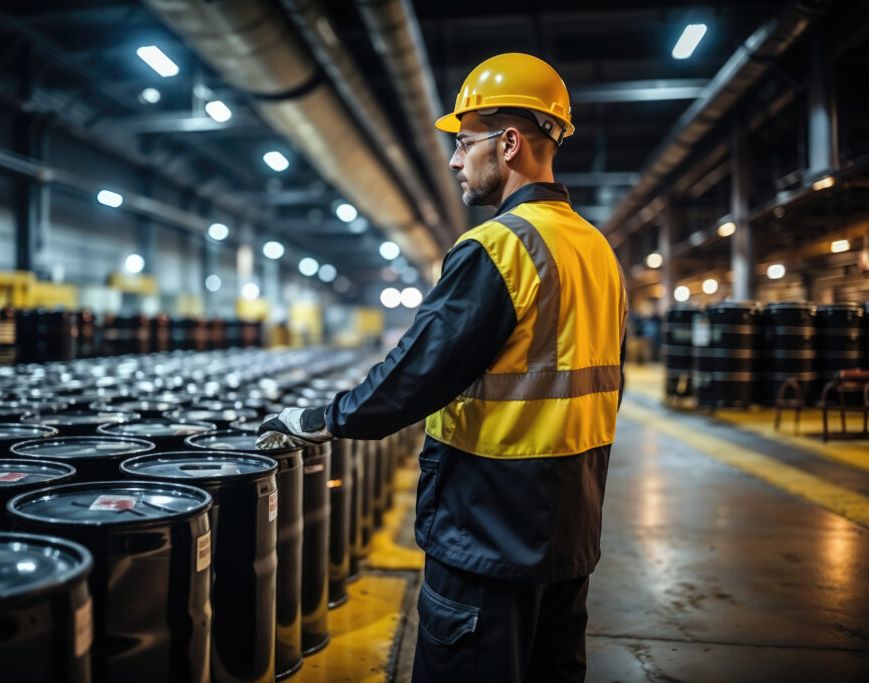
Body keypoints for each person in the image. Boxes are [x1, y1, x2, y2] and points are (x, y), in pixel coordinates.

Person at [259, 52, 628, 683]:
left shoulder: (500, 247)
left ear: (509, 143)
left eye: (465, 142)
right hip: (569, 530)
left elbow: (415, 374)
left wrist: (323, 418)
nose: (456, 160)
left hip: (488, 530)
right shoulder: (595, 249)